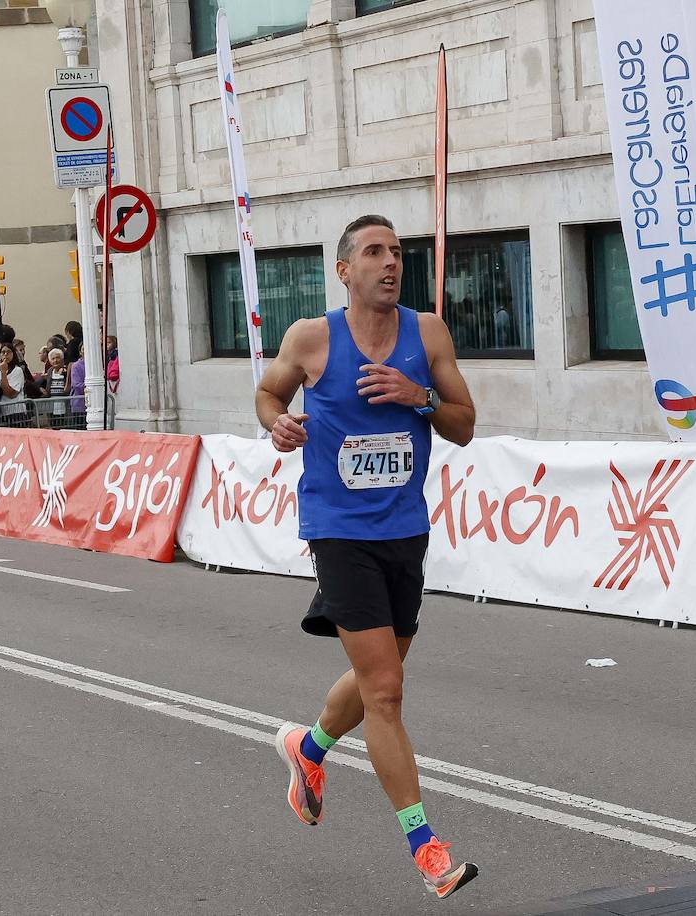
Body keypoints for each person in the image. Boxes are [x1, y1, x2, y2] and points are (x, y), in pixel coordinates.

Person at [255, 215, 478, 900]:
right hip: (338, 530)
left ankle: (309, 748)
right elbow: (268, 395)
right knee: (384, 689)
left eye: (397, 253)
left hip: (403, 528)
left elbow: (464, 425)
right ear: (344, 270)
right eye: (374, 253)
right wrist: (280, 425)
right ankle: (426, 846)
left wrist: (422, 397)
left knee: (381, 671)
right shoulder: (312, 338)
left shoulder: (428, 333)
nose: (390, 264)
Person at [0, 341, 30, 428]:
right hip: (1, 413)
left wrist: (3, 373)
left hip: (16, 412)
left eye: (9, 352)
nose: (6, 354)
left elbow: (10, 394)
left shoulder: (17, 371)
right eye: (3, 352)